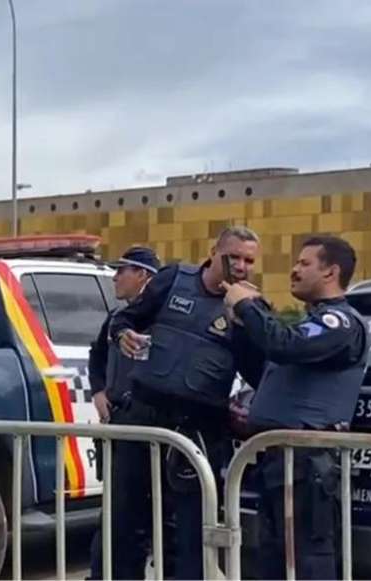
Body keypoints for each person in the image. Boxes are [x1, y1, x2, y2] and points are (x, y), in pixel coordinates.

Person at [109, 226, 265, 580]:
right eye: (234, 257)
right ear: (213, 252)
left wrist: (248, 317)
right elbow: (125, 318)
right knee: (124, 519)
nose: (241, 266)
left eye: (249, 261)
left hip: (200, 428)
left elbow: (260, 373)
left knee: (192, 530)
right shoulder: (174, 279)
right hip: (143, 416)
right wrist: (122, 335)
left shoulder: (251, 308)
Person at [223, 235, 368, 580]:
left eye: (304, 263)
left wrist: (248, 306)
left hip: (308, 463)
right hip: (279, 461)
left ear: (331, 272)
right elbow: (266, 371)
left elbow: (285, 346)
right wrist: (243, 327)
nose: (294, 269)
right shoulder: (308, 324)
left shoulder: (340, 323)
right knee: (275, 559)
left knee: (307, 561)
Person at [87, 246, 159, 579]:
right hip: (119, 426)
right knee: (115, 519)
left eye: (122, 271)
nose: (115, 277)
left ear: (143, 275)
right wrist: (99, 389)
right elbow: (97, 352)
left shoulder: (162, 317)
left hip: (150, 429)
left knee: (143, 522)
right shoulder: (118, 317)